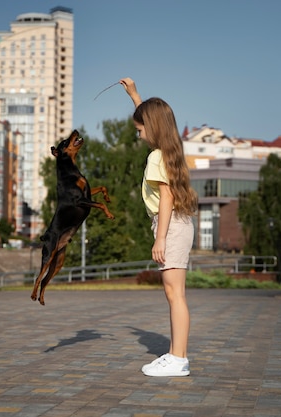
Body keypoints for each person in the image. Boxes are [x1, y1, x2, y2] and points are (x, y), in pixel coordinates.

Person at [120, 77, 198, 377]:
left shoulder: (155, 157)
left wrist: (160, 238)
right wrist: (135, 96)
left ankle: (178, 359)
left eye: (139, 130)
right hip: (178, 224)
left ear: (151, 128)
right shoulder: (170, 150)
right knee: (173, 293)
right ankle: (176, 355)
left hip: (171, 226)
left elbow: (165, 197)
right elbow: (150, 116)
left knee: (175, 294)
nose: (139, 136)